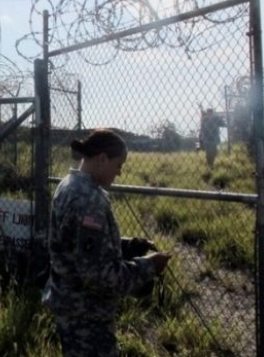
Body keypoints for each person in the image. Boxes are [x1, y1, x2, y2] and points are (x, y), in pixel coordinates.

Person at [42, 128, 172, 357]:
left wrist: (128, 246)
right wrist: (148, 266)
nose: (119, 173)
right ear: (102, 159)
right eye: (118, 166)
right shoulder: (88, 199)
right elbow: (99, 274)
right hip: (87, 315)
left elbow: (78, 245)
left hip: (70, 305)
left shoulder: (69, 185)